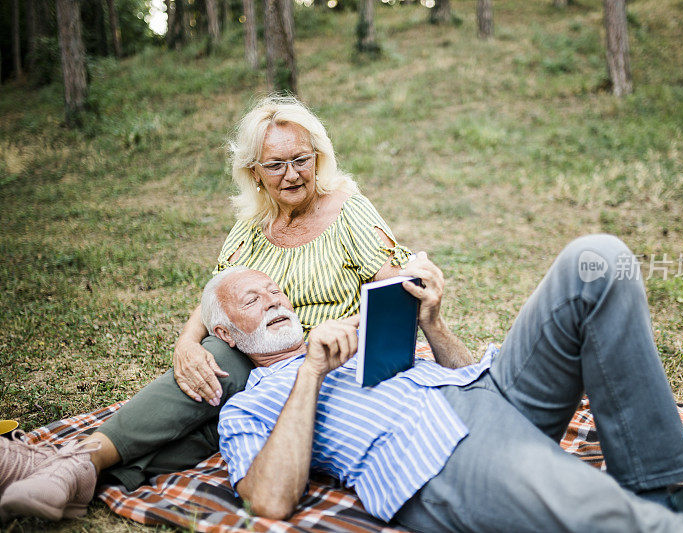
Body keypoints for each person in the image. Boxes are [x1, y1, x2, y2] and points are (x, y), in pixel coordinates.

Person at [0, 96, 410, 521]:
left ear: (319, 158)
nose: (291, 174)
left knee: (217, 398)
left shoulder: (347, 211)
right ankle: (74, 471)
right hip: (257, 356)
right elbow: (218, 292)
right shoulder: (253, 225)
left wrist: (352, 333)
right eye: (275, 165)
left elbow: (395, 290)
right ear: (254, 172)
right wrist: (186, 343)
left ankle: (68, 466)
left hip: (320, 363)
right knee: (212, 372)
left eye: (301, 159)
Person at [211, 238, 683, 532]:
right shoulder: (249, 405)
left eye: (276, 292)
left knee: (598, 261)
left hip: (497, 393)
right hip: (437, 452)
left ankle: (655, 488)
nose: (276, 301)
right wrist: (310, 374)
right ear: (224, 332)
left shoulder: (353, 339)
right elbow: (269, 501)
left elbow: (460, 372)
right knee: (608, 515)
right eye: (254, 300)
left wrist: (432, 324)